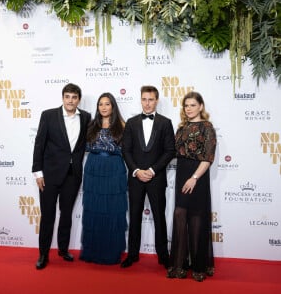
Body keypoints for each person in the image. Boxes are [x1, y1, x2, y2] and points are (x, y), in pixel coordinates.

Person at [32, 83, 91, 270]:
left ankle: (63, 249)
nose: (70, 100)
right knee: (47, 216)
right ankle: (43, 254)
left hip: (72, 176)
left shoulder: (86, 118)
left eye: (74, 97)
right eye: (67, 96)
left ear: (79, 99)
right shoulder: (48, 115)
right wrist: (38, 172)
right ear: (63, 98)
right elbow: (39, 144)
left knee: (66, 215)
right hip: (49, 175)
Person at [121, 85, 175, 269]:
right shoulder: (131, 122)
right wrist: (136, 171)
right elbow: (126, 150)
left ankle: (163, 256)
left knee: (159, 217)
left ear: (157, 100)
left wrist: (152, 170)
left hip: (156, 178)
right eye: (144, 99)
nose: (147, 103)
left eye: (151, 99)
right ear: (140, 99)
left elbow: (170, 151)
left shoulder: (165, 123)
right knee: (134, 216)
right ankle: (132, 254)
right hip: (135, 178)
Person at [167, 91, 217, 282]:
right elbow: (171, 151)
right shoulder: (181, 128)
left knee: (196, 219)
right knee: (180, 215)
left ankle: (198, 266)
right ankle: (179, 264)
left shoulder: (207, 128)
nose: (189, 109)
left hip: (197, 176)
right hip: (181, 174)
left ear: (201, 107)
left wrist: (194, 177)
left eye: (192, 105)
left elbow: (208, 158)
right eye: (186, 105)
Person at [79, 92, 127, 264]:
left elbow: (128, 151)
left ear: (113, 106)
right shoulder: (91, 125)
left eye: (107, 104)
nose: (104, 107)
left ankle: (110, 252)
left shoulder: (122, 125)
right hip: (93, 169)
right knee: (94, 210)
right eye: (101, 104)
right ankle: (93, 251)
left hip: (114, 170)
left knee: (112, 210)